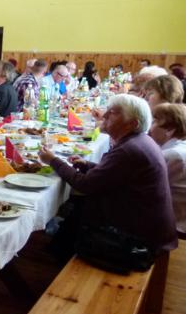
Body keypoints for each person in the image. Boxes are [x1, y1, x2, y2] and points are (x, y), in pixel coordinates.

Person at [38, 94, 177, 260]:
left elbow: (85, 185)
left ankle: (62, 255)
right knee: (79, 208)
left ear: (133, 124)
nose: (104, 115)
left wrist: (53, 160)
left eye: (113, 112)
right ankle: (60, 248)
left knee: (81, 202)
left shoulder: (128, 150)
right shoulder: (138, 141)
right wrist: (88, 165)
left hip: (138, 240)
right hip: (146, 227)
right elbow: (116, 175)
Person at [149, 103, 186, 238]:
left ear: (169, 129)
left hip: (175, 225)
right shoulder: (178, 148)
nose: (150, 127)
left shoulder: (173, 155)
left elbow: (143, 188)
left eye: (155, 121)